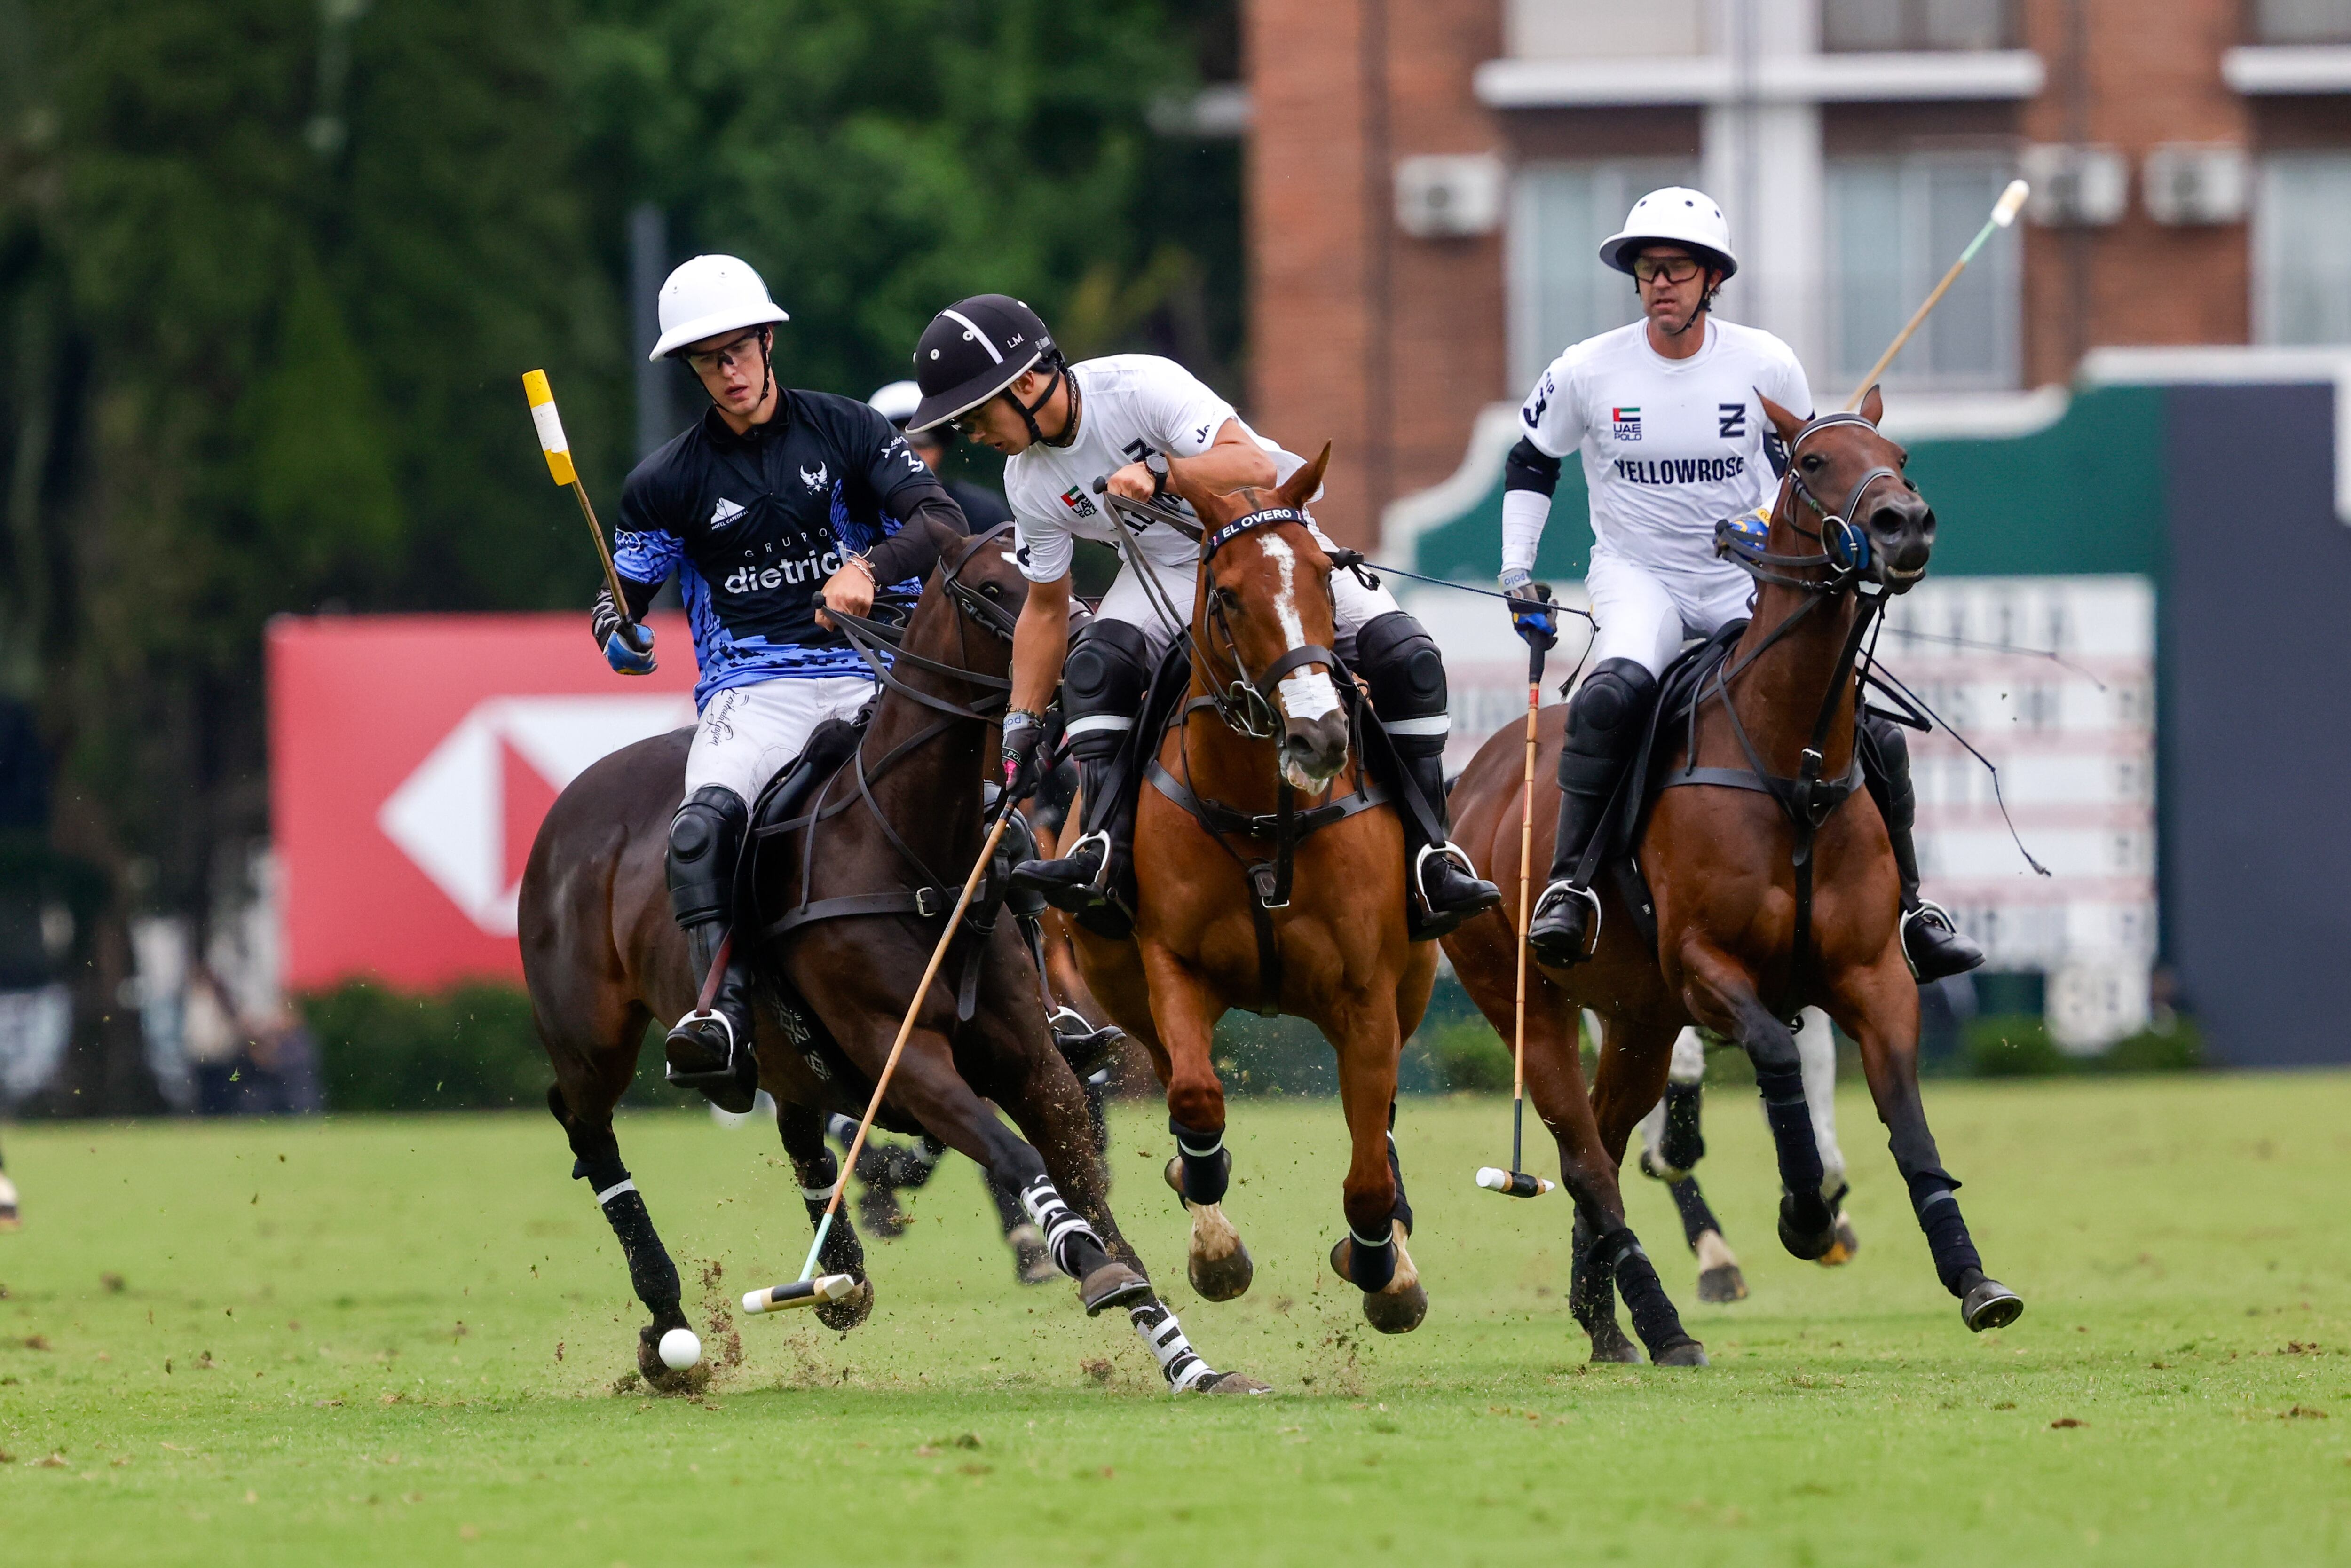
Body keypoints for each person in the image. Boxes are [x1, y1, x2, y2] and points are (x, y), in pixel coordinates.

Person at [902, 294, 1499, 941]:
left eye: (974, 417)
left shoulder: (1140, 384)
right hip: (1165, 570)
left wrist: (1161, 473)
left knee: (1407, 655)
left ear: (1023, 384)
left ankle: (1430, 852)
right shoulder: (1028, 481)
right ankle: (1102, 851)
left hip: (1261, 538)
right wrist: (1023, 719)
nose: (972, 437)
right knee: (1096, 666)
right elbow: (1046, 609)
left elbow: (1255, 464)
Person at [1499, 188, 1981, 982]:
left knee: (1873, 727)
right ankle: (1571, 886)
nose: (1661, 284)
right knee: (1610, 698)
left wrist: (1777, 524)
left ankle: (1913, 910)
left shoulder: (1765, 362)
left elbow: (1812, 466)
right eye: (1649, 270)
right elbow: (1531, 458)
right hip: (1640, 576)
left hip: (1746, 579)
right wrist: (1518, 566)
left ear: (1711, 280)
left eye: (1678, 270)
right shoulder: (1587, 369)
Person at [598, 255, 973, 1111]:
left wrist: (870, 570)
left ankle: (1046, 995)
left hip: (875, 669)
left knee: (991, 806)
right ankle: (720, 1015)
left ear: (769, 341)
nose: (728, 373)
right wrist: (616, 634)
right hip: (754, 689)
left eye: (738, 351)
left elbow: (942, 522)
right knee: (699, 828)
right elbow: (625, 595)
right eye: (707, 360)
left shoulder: (849, 430)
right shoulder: (665, 482)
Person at [869, 380, 1014, 529]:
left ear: (941, 448)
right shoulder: (848, 514)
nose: (909, 455)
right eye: (897, 446)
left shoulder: (984, 514)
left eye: (922, 444)